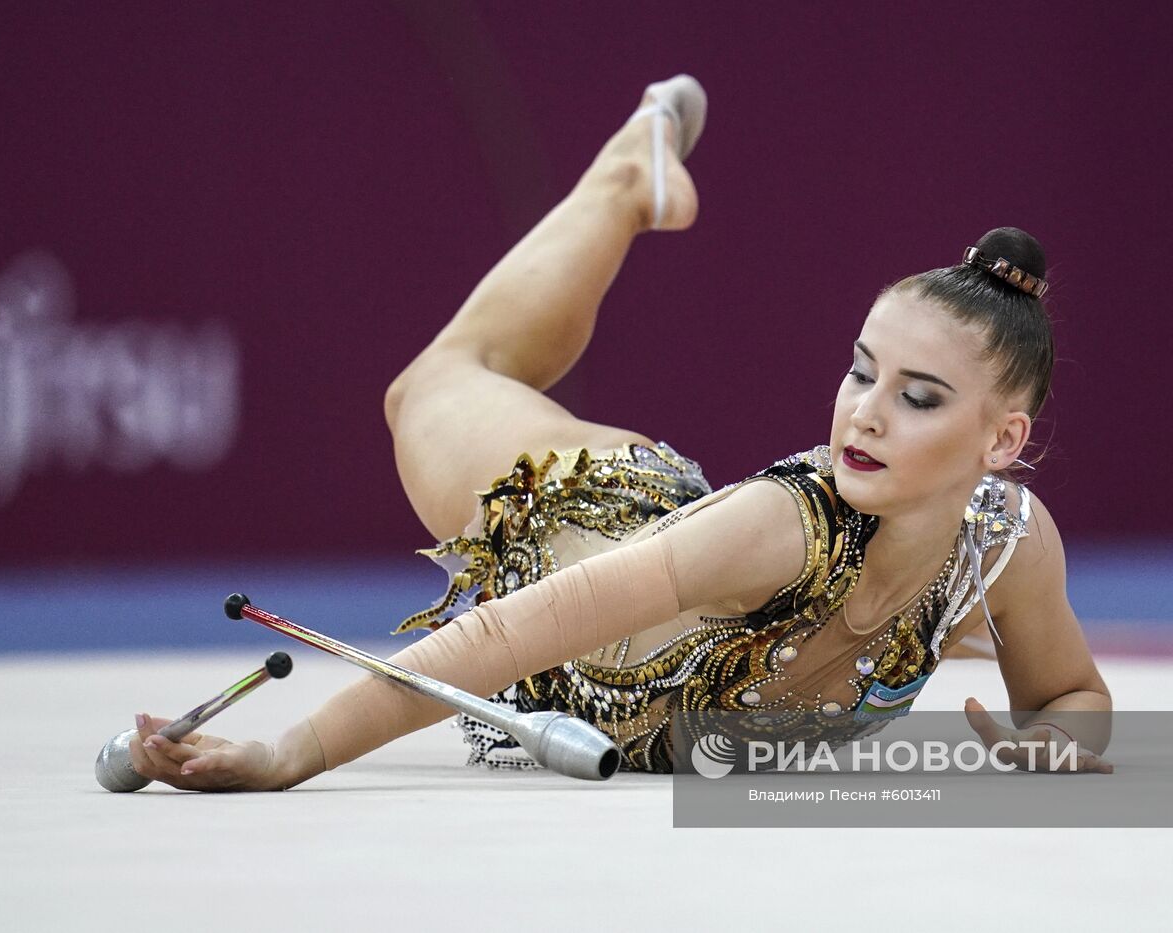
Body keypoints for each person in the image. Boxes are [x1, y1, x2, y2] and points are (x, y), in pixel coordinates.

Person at [127, 74, 1113, 790]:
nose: (863, 409)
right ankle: (619, 188)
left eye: (919, 397)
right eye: (861, 370)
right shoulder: (777, 526)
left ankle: (628, 186)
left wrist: (1053, 742)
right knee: (437, 382)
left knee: (465, 374)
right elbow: (506, 634)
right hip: (566, 520)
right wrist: (288, 753)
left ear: (1000, 440)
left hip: (653, 604)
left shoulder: (1004, 546)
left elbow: (1072, 695)